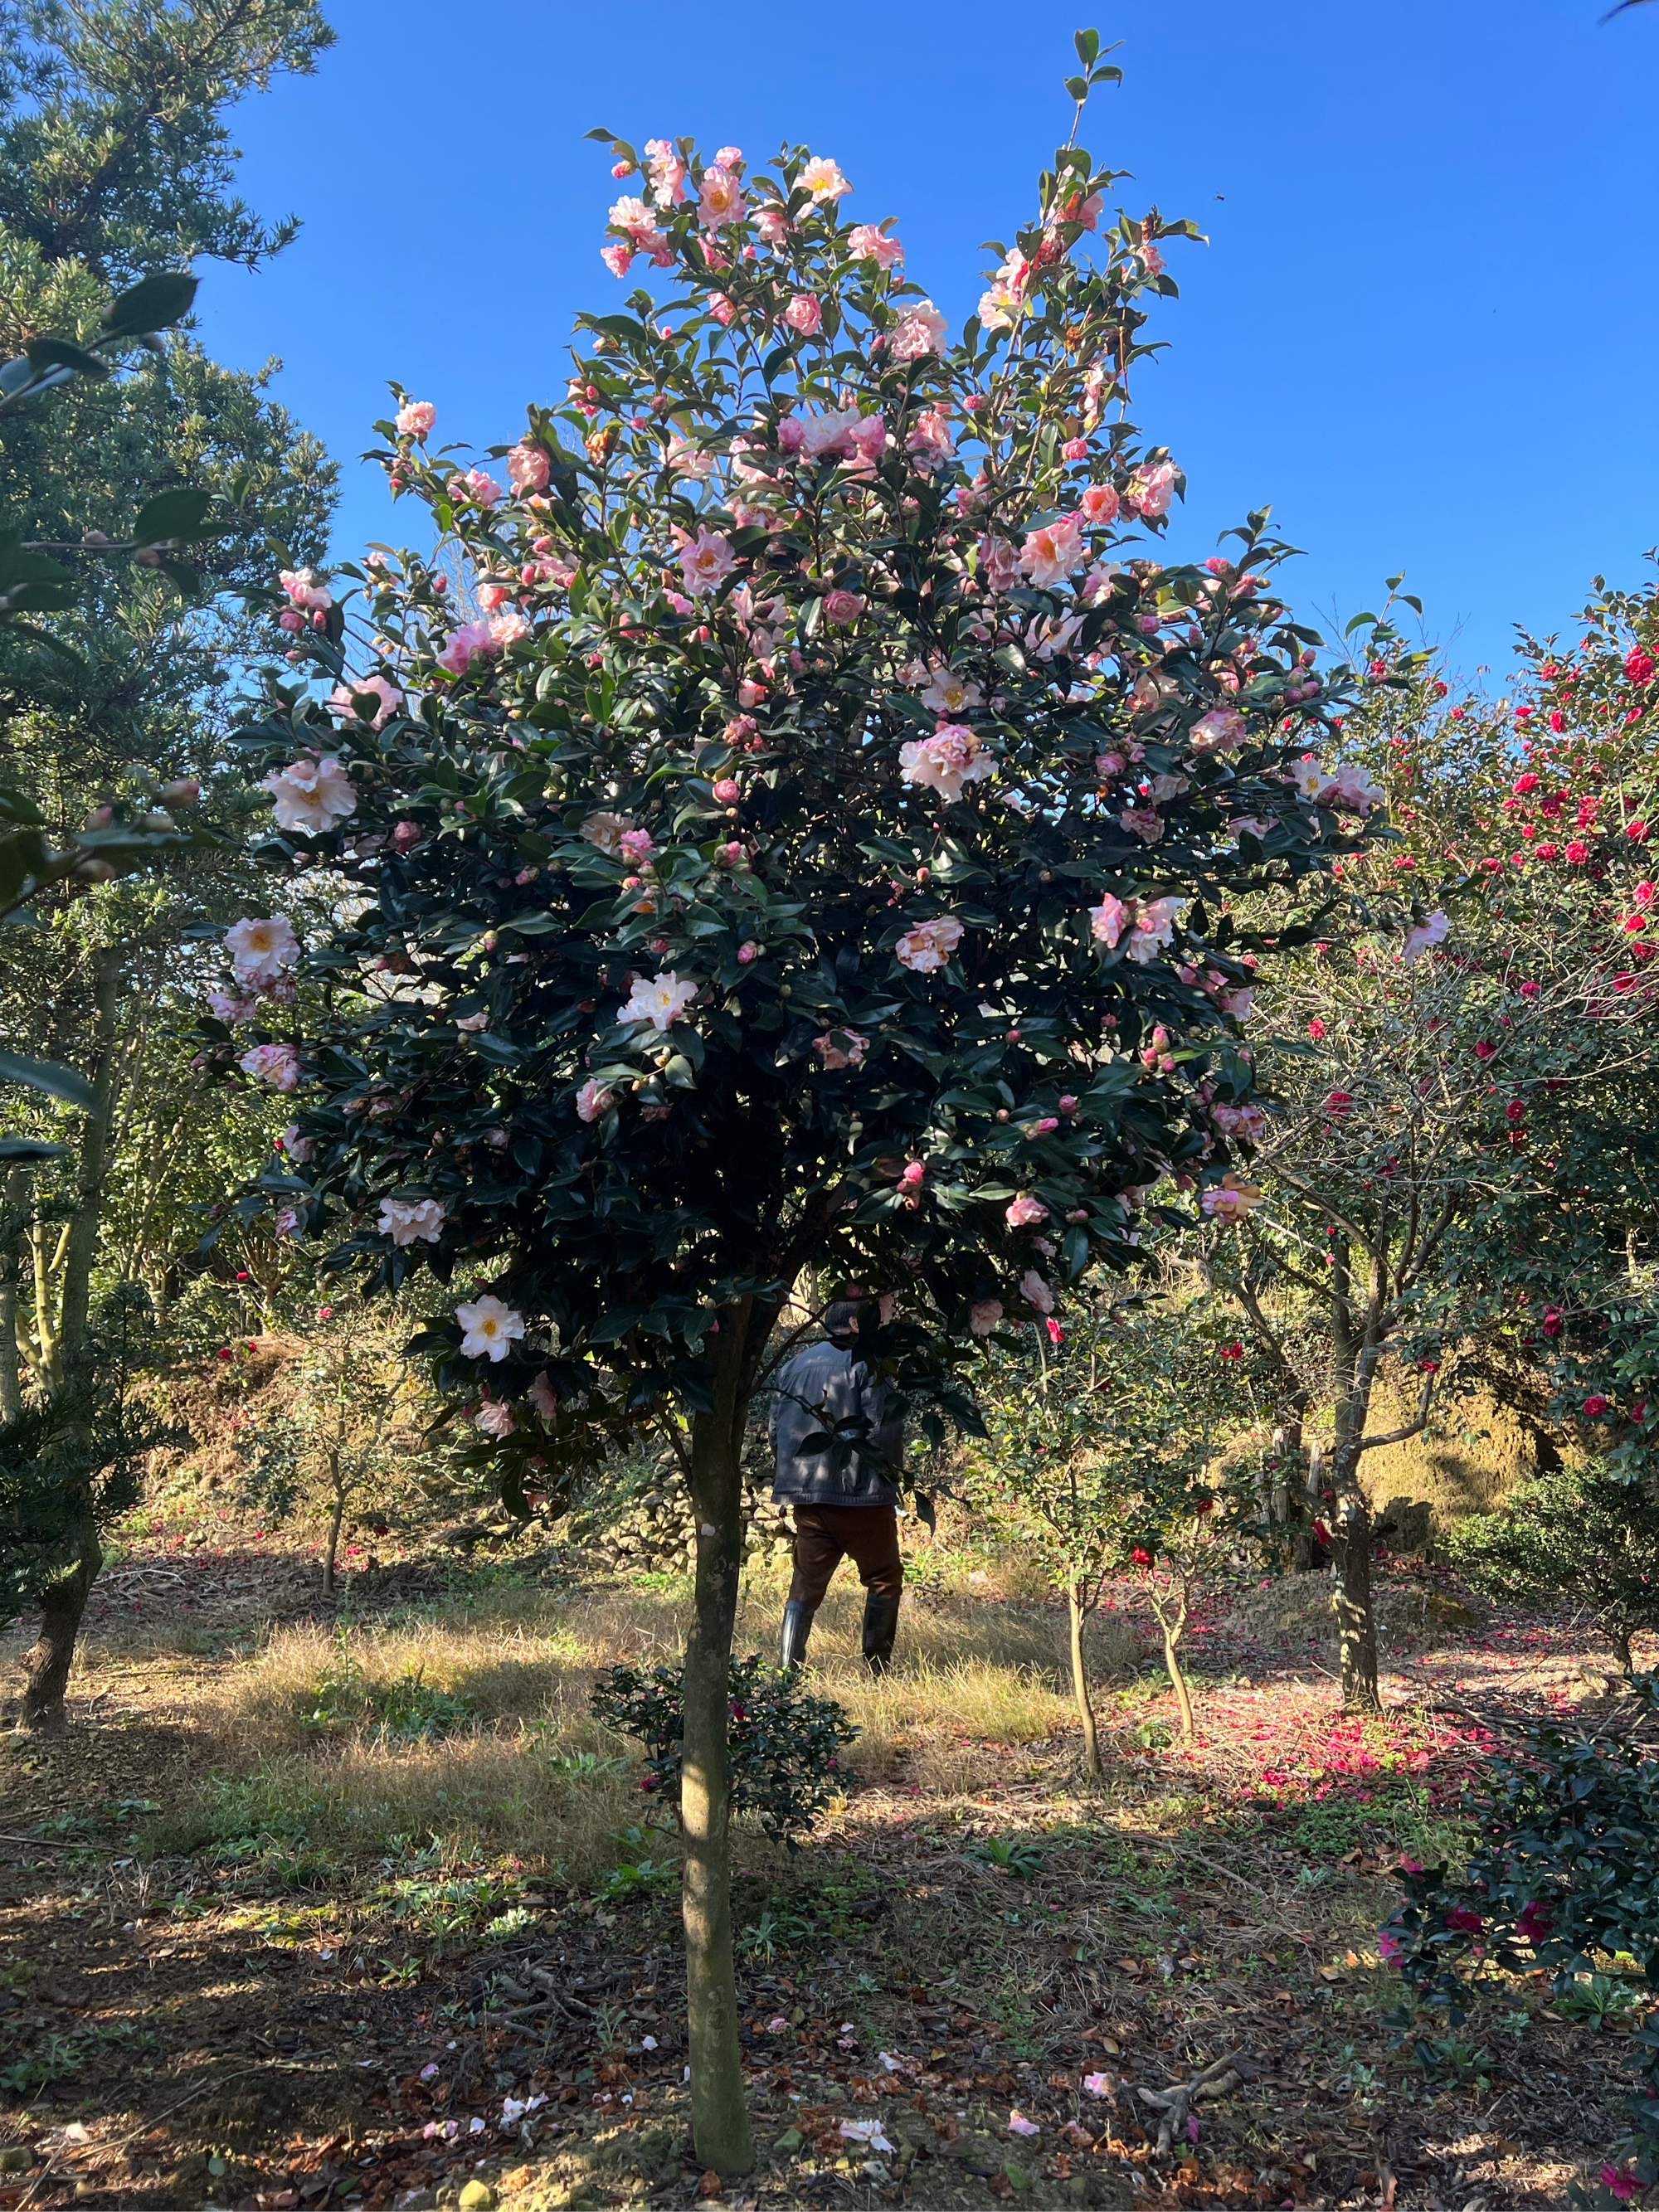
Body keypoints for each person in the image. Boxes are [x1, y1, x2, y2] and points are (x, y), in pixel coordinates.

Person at [768, 1298, 904, 1675]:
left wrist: (793, 1478)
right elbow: (885, 1429)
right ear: (858, 1324)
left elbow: (776, 1431)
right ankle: (878, 1671)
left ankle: (787, 1670)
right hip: (861, 1497)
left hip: (809, 1499)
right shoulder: (868, 1364)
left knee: (805, 1585)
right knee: (883, 1578)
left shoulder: (795, 1365)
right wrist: (891, 1483)